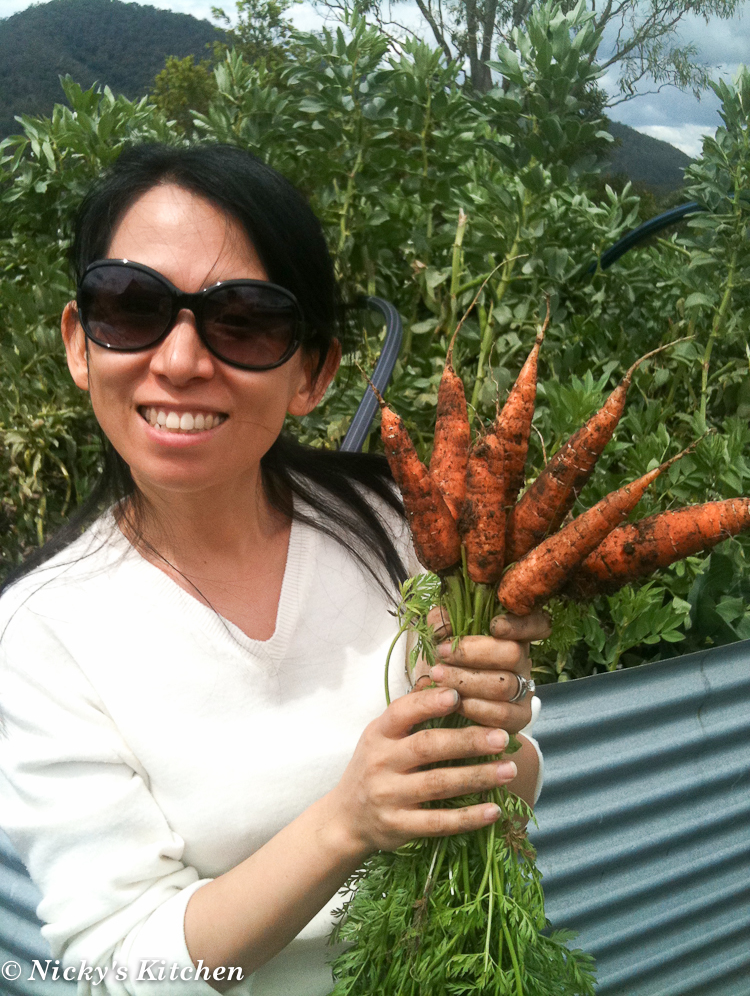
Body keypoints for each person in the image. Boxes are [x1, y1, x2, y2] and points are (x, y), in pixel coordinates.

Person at [0, 144, 548, 996]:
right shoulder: (41, 634)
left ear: (313, 373)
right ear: (80, 344)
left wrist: (496, 719)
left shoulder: (403, 529)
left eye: (244, 320)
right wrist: (345, 823)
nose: (179, 360)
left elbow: (518, 775)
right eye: (131, 306)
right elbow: (124, 967)